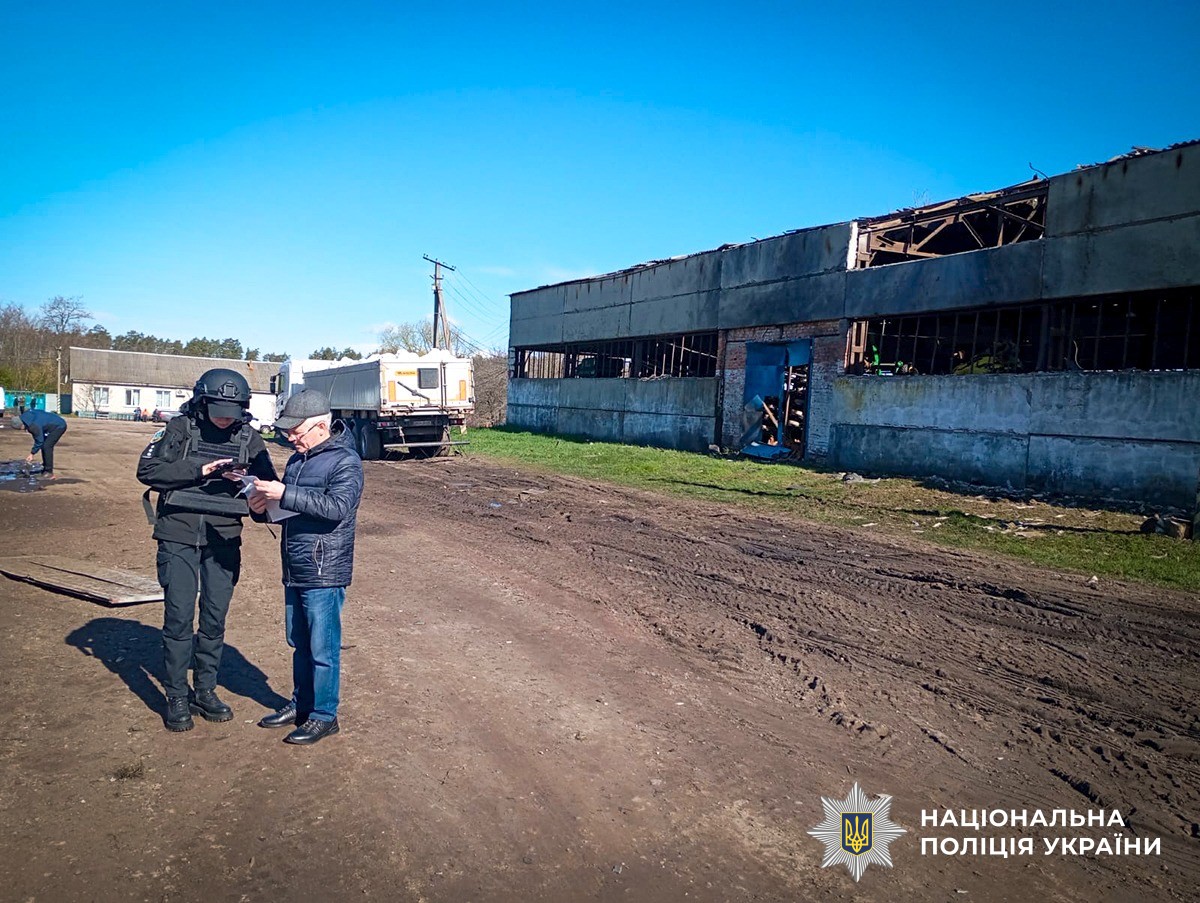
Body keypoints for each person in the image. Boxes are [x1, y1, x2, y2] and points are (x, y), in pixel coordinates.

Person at [136, 368, 278, 732]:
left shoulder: (249, 437)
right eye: (218, 410)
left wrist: (255, 495)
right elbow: (148, 470)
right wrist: (201, 470)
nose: (224, 418)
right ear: (202, 402)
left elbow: (268, 488)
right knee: (179, 617)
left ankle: (205, 690)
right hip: (178, 536)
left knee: (214, 619)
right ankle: (176, 696)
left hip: (224, 539)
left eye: (232, 411)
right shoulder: (179, 428)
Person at [249, 388, 363, 745]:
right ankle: (302, 705)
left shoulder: (346, 462)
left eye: (296, 431)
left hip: (324, 569)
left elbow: (337, 508)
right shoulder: (298, 461)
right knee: (299, 641)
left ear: (320, 427)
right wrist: (261, 508)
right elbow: (291, 509)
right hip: (295, 564)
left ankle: (325, 716)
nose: (290, 438)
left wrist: (284, 493)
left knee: (322, 648)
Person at [20, 408, 67, 479]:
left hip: (59, 426)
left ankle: (49, 472)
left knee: (47, 446)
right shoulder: (27, 415)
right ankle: (45, 467)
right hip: (54, 421)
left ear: (22, 424)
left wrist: (32, 453)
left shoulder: (33, 425)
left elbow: (39, 440)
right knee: (44, 445)